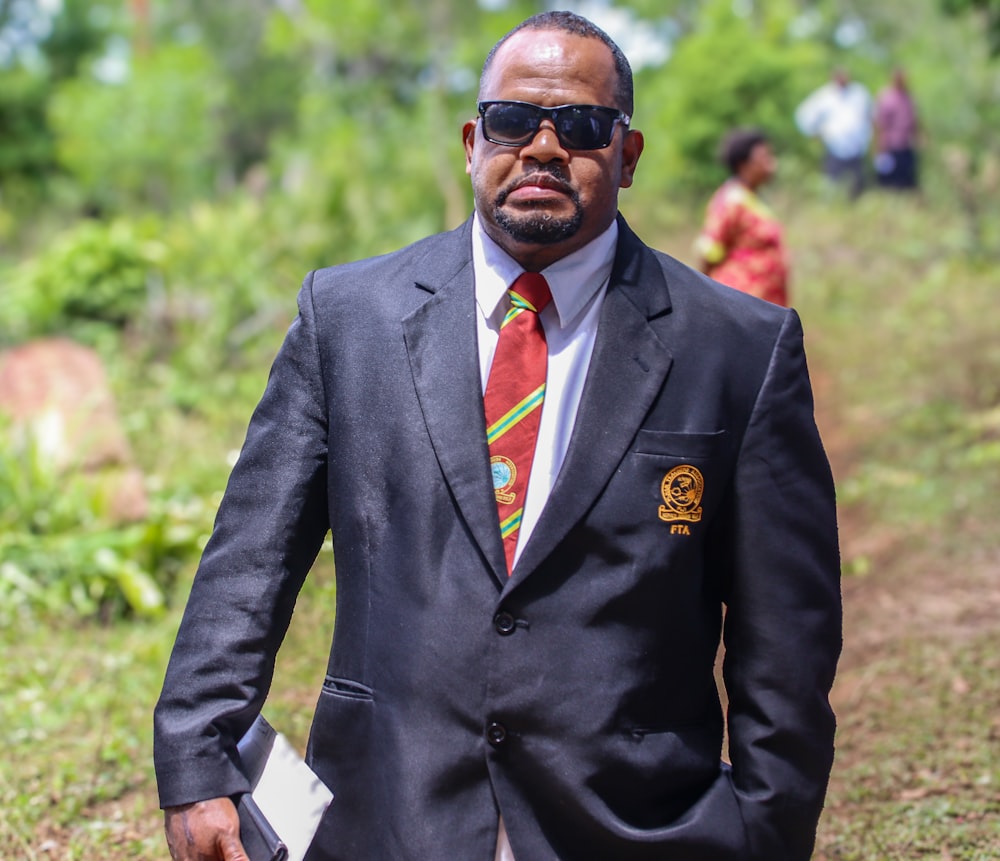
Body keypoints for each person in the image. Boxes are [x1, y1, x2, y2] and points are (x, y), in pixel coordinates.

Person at [154, 11, 842, 861]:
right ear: (475, 141)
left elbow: (789, 640)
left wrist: (766, 833)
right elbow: (249, 558)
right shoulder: (348, 319)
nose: (544, 147)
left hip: (635, 827)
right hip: (388, 817)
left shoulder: (738, 347)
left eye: (583, 127)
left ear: (626, 157)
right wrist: (196, 756)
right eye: (516, 121)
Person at [694, 128, 790, 306]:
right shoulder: (731, 201)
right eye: (764, 157)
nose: (772, 163)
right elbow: (709, 252)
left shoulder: (753, 199)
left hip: (763, 307)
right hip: (740, 307)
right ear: (743, 165)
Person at [795, 67, 873, 199]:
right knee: (833, 185)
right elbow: (804, 115)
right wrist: (815, 133)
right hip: (835, 148)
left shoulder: (859, 93)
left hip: (857, 148)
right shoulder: (825, 96)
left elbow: (871, 116)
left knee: (857, 186)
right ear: (833, 78)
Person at [873, 67, 920, 190]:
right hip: (890, 146)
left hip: (906, 145)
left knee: (907, 181)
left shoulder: (909, 97)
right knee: (889, 182)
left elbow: (914, 121)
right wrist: (880, 147)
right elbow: (880, 124)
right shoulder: (885, 97)